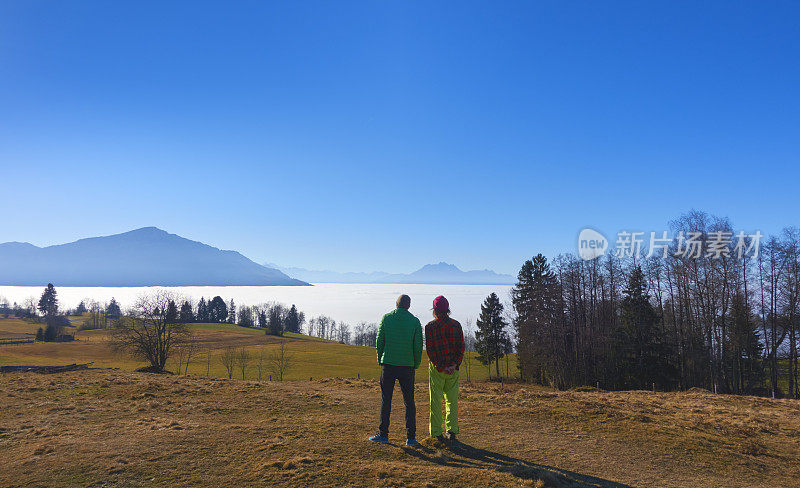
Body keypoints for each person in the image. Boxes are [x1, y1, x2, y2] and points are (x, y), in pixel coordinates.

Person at [369, 294, 423, 447]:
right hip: (407, 365)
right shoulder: (414, 321)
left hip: (388, 364)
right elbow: (418, 346)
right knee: (409, 402)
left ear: (396, 304)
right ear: (409, 305)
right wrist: (415, 364)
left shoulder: (387, 318)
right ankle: (411, 438)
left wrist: (380, 359)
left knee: (386, 399)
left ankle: (383, 434)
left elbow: (380, 340)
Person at [425, 295, 464, 443]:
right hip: (453, 370)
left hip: (437, 369)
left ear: (434, 310)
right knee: (452, 401)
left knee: (435, 401)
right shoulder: (456, 325)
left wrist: (440, 366)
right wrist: (454, 365)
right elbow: (461, 348)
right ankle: (452, 431)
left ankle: (436, 432)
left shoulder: (430, 327)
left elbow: (430, 350)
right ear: (448, 309)